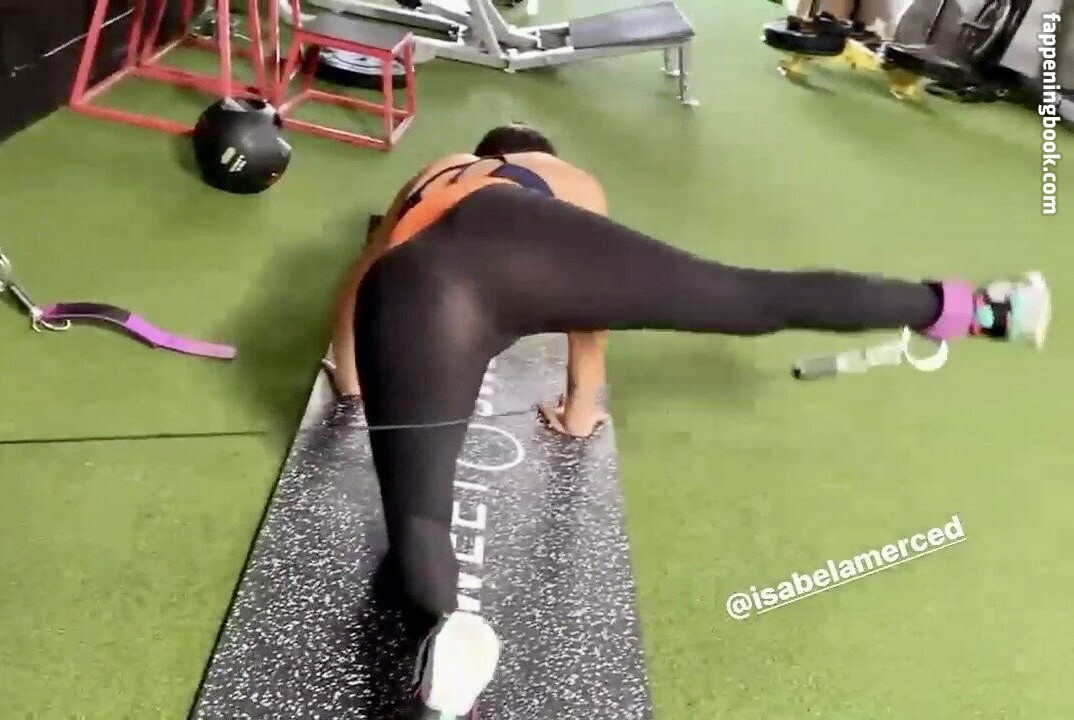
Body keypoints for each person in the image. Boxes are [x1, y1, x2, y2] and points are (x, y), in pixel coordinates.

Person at [329, 122, 1051, 719]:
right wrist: (578, 413)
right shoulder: (567, 181)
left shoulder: (438, 170)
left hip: (415, 291)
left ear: (485, 151)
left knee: (421, 520)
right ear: (532, 155)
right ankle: (980, 311)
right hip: (529, 249)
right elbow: (589, 323)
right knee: (752, 296)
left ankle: (446, 645)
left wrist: (354, 379)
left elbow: (363, 273)